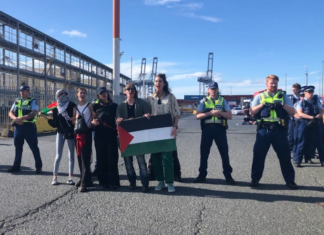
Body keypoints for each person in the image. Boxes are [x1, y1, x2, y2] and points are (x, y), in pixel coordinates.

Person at [249, 75, 297, 189]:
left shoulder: (283, 96)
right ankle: (255, 179)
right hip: (263, 131)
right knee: (258, 156)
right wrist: (263, 104)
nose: (274, 85)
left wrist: (281, 105)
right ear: (266, 84)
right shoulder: (260, 96)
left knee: (285, 156)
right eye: (271, 83)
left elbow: (292, 111)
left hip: (279, 130)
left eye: (275, 83)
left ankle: (290, 181)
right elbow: (251, 111)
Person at [194, 82, 236, 185]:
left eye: (215, 89)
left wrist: (219, 113)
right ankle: (202, 175)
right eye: (211, 89)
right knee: (204, 153)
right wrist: (209, 113)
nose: (213, 90)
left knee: (224, 153)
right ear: (208, 90)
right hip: (207, 130)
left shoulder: (223, 101)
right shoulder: (203, 101)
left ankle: (228, 176)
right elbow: (197, 116)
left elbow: (230, 116)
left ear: (217, 90)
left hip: (219, 130)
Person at [146, 73, 181, 193]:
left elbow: (176, 114)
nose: (158, 83)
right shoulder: (150, 98)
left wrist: (175, 127)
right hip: (154, 131)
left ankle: (170, 182)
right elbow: (147, 114)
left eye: (160, 81)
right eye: (156, 81)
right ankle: (160, 181)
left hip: (167, 131)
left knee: (167, 158)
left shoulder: (171, 97)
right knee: (155, 158)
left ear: (164, 84)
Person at [116, 83, 151, 193]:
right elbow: (117, 121)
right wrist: (118, 121)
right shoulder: (121, 106)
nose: (130, 91)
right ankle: (132, 183)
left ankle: (145, 184)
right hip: (126, 137)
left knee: (141, 161)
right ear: (125, 92)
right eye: (128, 89)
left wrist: (146, 116)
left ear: (135, 91)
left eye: (132, 89)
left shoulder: (142, 103)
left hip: (139, 137)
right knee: (128, 162)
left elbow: (148, 116)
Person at [39, 89, 76, 185]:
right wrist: (45, 117)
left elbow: (75, 118)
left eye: (63, 94)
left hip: (70, 132)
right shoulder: (56, 107)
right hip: (60, 132)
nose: (61, 96)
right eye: (59, 94)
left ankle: (70, 177)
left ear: (66, 94)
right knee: (58, 155)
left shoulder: (72, 104)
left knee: (71, 155)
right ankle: (54, 177)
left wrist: (73, 119)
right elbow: (55, 123)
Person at [7, 85, 43, 173]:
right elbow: (10, 112)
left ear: (28, 91)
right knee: (18, 147)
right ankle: (16, 166)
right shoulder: (17, 101)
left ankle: (38, 166)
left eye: (24, 91)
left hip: (29, 127)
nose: (22, 92)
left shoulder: (32, 101)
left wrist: (21, 118)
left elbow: (33, 113)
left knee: (34, 147)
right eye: (21, 91)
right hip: (18, 126)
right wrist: (15, 119)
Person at [92, 87, 120, 190]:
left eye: (105, 92)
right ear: (98, 96)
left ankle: (114, 182)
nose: (104, 94)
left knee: (112, 158)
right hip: (99, 135)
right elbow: (92, 119)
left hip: (111, 135)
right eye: (101, 93)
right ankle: (103, 182)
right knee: (101, 158)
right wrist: (93, 122)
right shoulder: (96, 106)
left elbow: (118, 119)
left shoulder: (115, 106)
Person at [295, 85, 324, 166]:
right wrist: (312, 117)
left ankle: (322, 160)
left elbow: (321, 111)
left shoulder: (316, 101)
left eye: (312, 92)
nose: (311, 94)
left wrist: (317, 117)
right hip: (305, 123)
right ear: (304, 93)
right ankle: (298, 160)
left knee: (319, 142)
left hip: (315, 122)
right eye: (309, 92)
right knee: (302, 141)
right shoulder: (301, 102)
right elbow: (300, 113)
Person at [75, 88, 95, 192]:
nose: (82, 94)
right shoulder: (75, 107)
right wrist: (76, 118)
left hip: (87, 132)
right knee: (79, 157)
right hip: (78, 133)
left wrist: (92, 123)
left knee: (85, 158)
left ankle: (83, 183)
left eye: (84, 93)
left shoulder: (90, 105)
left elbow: (93, 118)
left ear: (86, 95)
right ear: (77, 94)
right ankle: (85, 178)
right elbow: (72, 120)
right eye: (80, 93)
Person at [288, 83, 301, 151]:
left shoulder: (302, 98)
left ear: (299, 90)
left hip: (301, 118)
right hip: (292, 118)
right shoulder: (290, 98)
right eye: (292, 89)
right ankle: (290, 150)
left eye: (295, 89)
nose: (293, 91)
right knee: (290, 135)